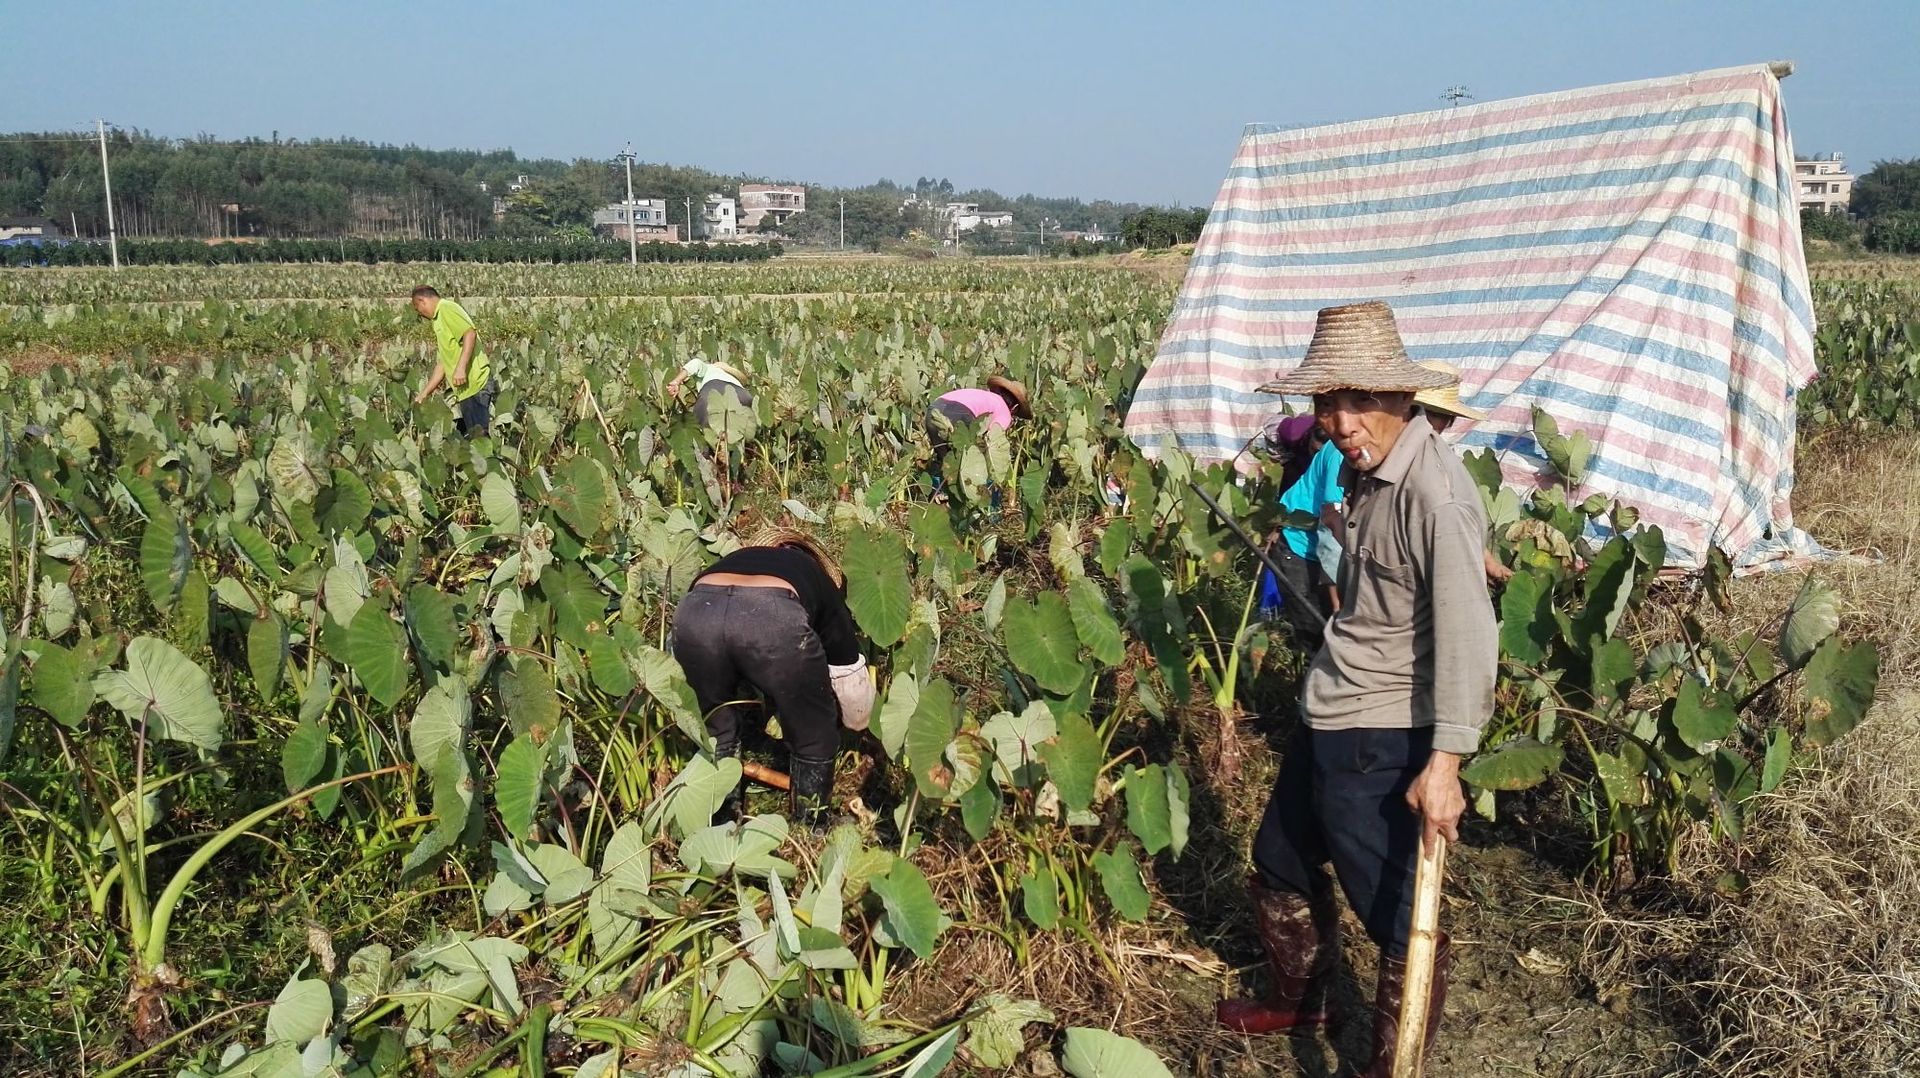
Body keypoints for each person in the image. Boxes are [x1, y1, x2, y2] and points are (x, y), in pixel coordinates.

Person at [1218, 301, 1496, 1078]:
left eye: (1360, 400)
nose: (1341, 421)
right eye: (1327, 402)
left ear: (1405, 401)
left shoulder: (1432, 494)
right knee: (1278, 856)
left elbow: (1472, 636)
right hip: (1331, 703)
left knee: (1398, 914)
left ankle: (1391, 1062)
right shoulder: (1368, 472)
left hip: (1380, 731)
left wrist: (1444, 765)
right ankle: (1305, 1001)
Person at [670, 528, 874, 826]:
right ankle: (812, 827)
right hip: (771, 617)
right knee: (813, 732)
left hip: (697, 612)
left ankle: (720, 822)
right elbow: (848, 674)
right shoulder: (815, 576)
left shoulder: (733, 560)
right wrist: (855, 726)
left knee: (716, 729)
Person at [1411, 360, 1514, 585]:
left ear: (1449, 421)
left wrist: (1488, 562)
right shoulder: (1376, 454)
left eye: (1436, 414)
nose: (1426, 421)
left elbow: (1456, 520)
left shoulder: (1440, 459)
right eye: (1421, 411)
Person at [409, 286, 495, 438]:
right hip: (465, 391)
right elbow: (443, 364)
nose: (420, 314)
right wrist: (424, 393)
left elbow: (469, 333)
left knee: (481, 441)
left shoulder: (446, 308)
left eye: (417, 309)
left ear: (422, 301)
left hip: (476, 384)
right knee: (472, 441)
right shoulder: (438, 320)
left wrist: (461, 368)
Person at [924, 375, 1030, 489]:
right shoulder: (1005, 412)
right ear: (1015, 407)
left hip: (934, 410)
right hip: (960, 413)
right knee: (968, 463)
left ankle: (937, 494)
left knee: (946, 461)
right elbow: (993, 439)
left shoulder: (986, 396)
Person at [665, 356, 754, 433]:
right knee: (736, 437)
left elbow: (695, 363)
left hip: (714, 388)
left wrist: (676, 381)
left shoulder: (710, 368)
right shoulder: (735, 379)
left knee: (704, 435)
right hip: (743, 395)